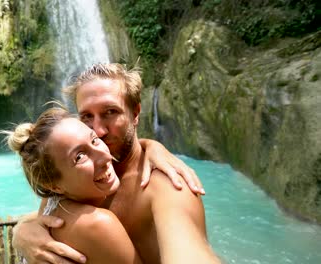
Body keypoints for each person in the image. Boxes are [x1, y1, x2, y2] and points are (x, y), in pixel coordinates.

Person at [13, 63, 219, 263]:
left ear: (136, 113)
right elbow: (49, 214)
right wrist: (21, 231)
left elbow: (190, 250)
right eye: (86, 116)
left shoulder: (168, 186)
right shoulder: (71, 178)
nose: (99, 131)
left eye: (110, 112)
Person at [4, 107, 143, 263]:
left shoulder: (50, 202)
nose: (105, 156)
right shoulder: (98, 224)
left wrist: (153, 147)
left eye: (94, 139)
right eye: (80, 156)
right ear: (53, 185)